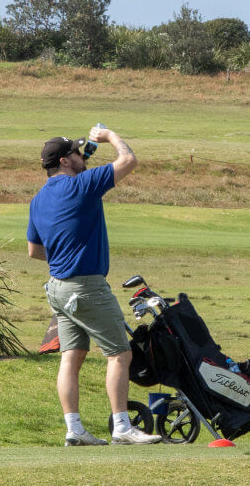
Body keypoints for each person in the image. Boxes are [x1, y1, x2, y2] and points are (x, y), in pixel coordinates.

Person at [27, 126, 162, 446]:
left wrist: (65, 254)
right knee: (120, 353)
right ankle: (122, 427)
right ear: (64, 161)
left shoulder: (38, 199)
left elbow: (34, 251)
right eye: (76, 153)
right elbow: (128, 160)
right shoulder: (82, 185)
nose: (81, 155)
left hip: (57, 288)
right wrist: (110, 136)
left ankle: (74, 429)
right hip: (86, 287)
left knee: (71, 357)